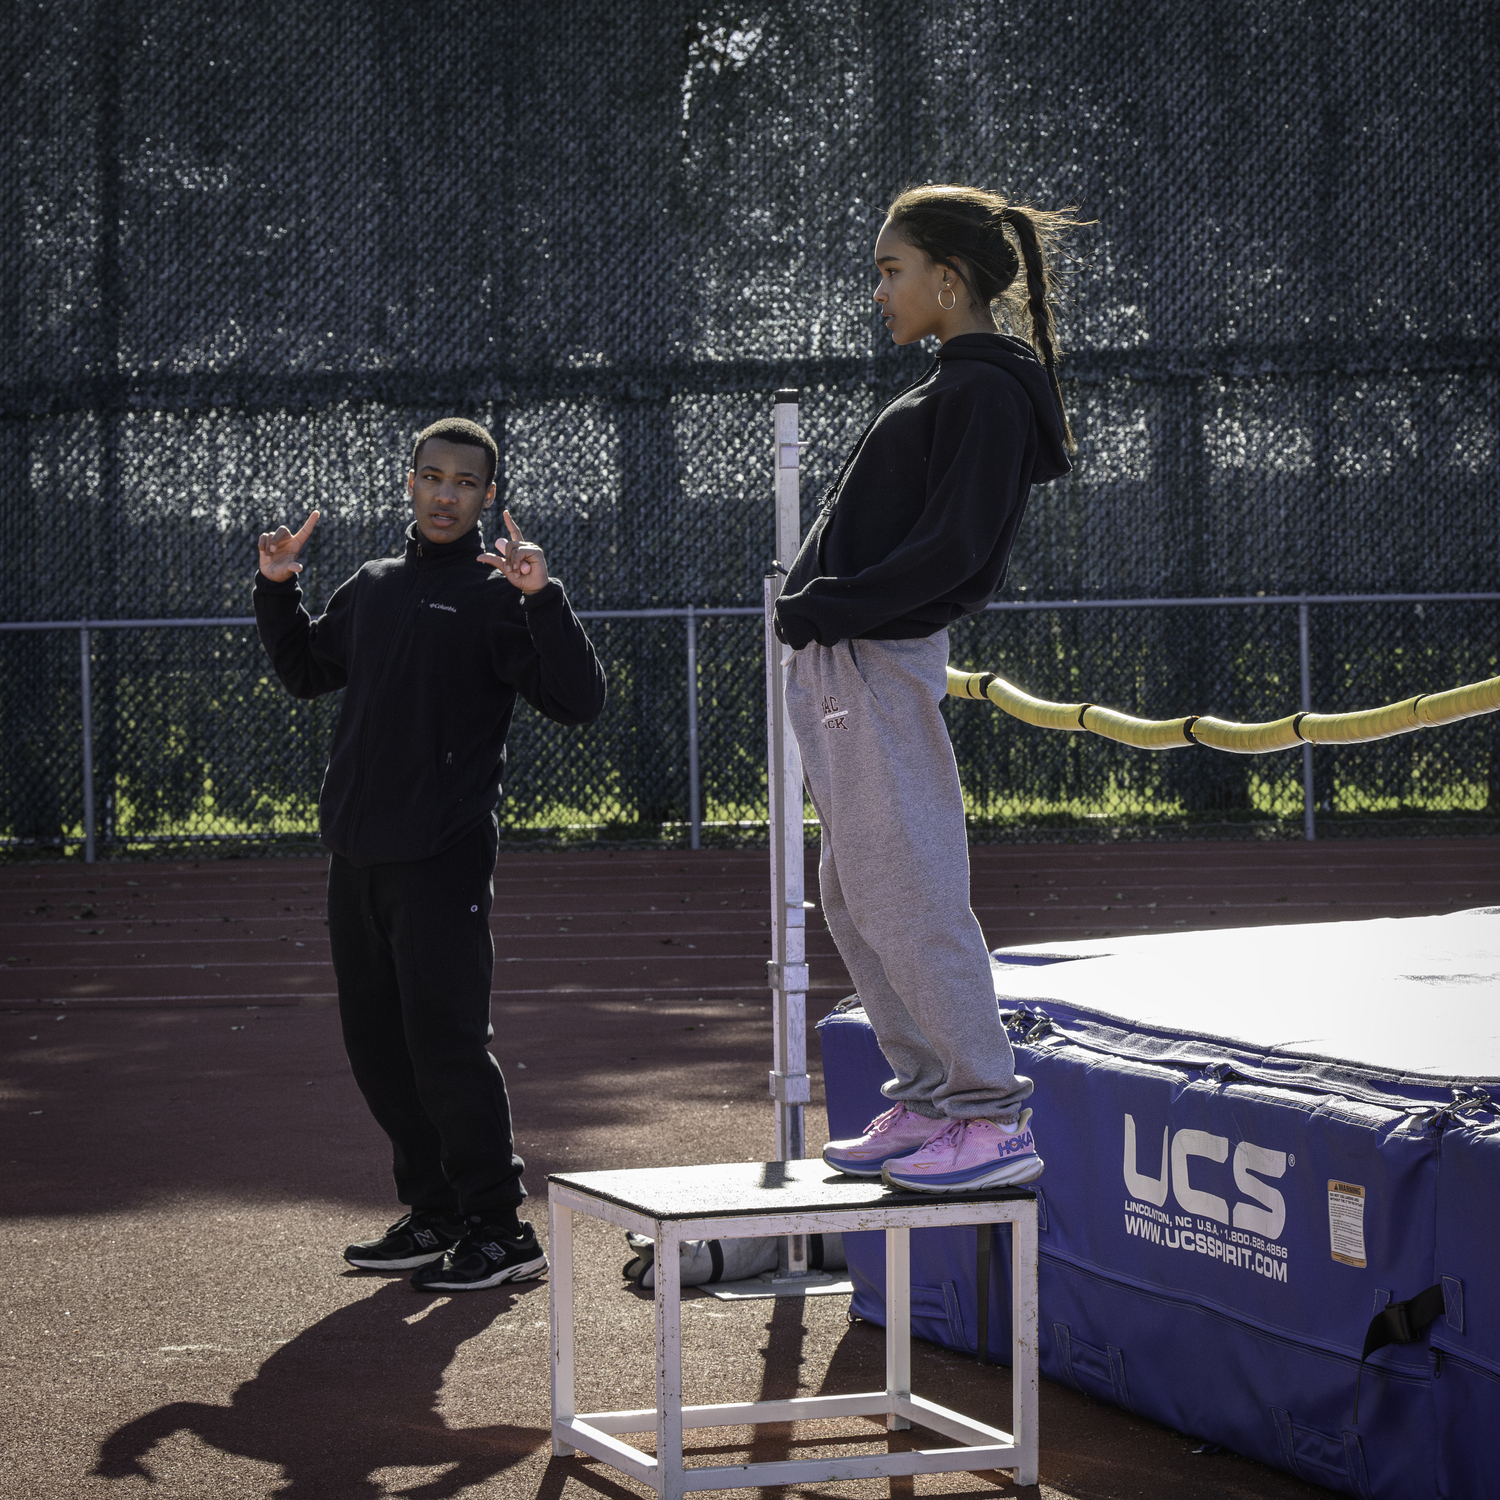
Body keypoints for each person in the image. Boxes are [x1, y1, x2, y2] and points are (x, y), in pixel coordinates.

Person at [253, 417, 606, 1289]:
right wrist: (276, 587)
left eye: (465, 483)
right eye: (432, 477)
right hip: (357, 857)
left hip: (443, 859)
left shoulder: (495, 597)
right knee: (378, 1049)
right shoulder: (372, 586)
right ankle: (437, 1211)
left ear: (489, 499)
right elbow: (304, 670)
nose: (446, 494)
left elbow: (579, 699)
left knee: (445, 1045)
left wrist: (541, 597)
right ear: (409, 483)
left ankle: (500, 1230)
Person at [774, 185, 1079, 1193]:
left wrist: (834, 606)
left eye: (889, 270)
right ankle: (928, 1098)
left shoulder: (985, 391)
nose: (879, 292)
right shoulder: (960, 381)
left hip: (868, 654)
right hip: (846, 655)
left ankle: (991, 1119)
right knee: (857, 899)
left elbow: (959, 553)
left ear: (948, 280)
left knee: (908, 894)